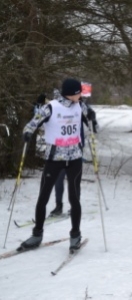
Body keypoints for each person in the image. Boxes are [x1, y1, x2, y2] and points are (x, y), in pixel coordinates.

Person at [20, 78, 91, 251]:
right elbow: (32, 123)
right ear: (72, 93)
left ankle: (75, 235)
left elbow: (88, 115)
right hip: (54, 159)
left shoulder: (79, 106)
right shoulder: (50, 107)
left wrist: (91, 120)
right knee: (43, 197)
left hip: (74, 158)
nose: (81, 95)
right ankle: (37, 235)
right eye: (78, 92)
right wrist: (28, 133)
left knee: (75, 199)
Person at [49, 100, 97, 217]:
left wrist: (93, 120)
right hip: (59, 149)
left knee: (74, 180)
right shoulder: (57, 106)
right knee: (58, 179)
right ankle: (58, 205)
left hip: (76, 149)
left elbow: (90, 120)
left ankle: (75, 207)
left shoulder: (80, 106)